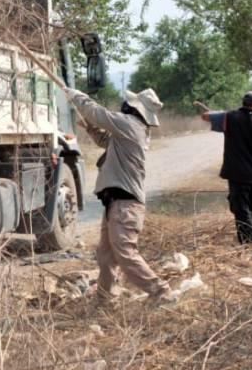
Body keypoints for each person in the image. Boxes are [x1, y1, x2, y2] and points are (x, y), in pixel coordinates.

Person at [61, 85, 176, 305]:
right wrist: (91, 130)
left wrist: (75, 95)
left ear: (136, 109)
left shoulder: (130, 125)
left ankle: (161, 292)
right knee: (106, 255)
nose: (125, 105)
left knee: (125, 253)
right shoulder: (132, 130)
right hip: (116, 203)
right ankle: (106, 298)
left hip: (125, 205)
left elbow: (97, 113)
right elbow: (107, 142)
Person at [199, 91, 252, 244]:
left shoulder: (229, 117)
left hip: (236, 174)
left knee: (242, 210)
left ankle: (251, 246)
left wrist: (217, 112)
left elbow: (205, 116)